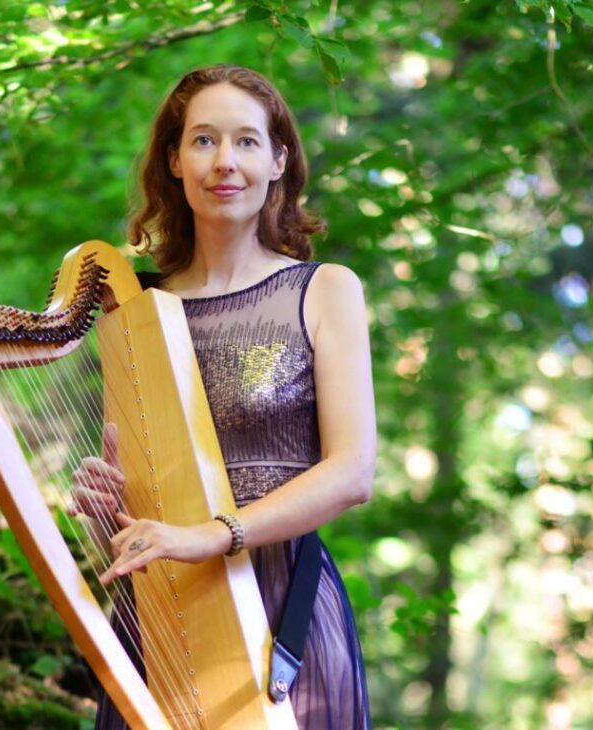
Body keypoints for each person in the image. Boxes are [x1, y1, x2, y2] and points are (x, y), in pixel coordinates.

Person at [69, 64, 375, 729]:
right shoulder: (137, 312)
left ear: (277, 161)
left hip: (283, 602)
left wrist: (213, 536)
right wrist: (106, 510)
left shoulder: (325, 290)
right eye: (203, 141)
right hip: (166, 615)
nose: (224, 161)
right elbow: (143, 497)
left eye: (245, 141)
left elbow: (353, 475)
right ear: (174, 161)